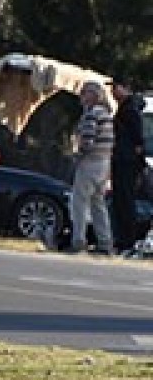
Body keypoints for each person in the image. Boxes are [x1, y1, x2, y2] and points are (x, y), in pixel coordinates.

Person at [69, 79, 114, 254]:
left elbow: (87, 141)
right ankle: (105, 242)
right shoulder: (106, 114)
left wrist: (77, 157)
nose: (81, 95)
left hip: (90, 162)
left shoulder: (91, 114)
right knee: (98, 203)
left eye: (85, 92)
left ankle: (78, 241)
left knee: (79, 202)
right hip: (104, 162)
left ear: (94, 96)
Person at [109, 79, 144, 253]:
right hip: (120, 159)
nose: (113, 91)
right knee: (119, 201)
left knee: (126, 200)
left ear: (127, 89)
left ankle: (128, 240)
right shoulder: (123, 108)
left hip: (127, 161)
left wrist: (135, 162)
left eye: (117, 87)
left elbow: (138, 141)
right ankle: (122, 238)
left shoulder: (131, 110)